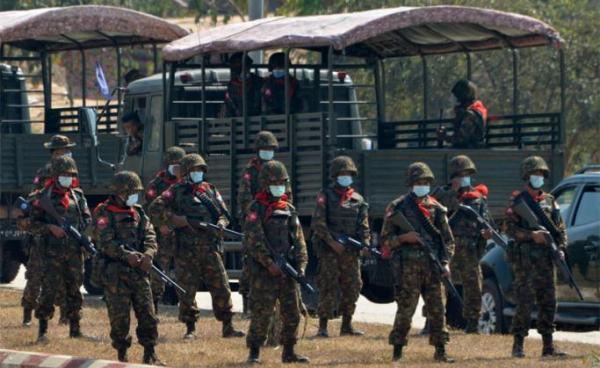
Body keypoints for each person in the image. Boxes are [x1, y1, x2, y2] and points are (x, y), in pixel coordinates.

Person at [148, 153, 244, 340]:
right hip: (186, 250)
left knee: (221, 287)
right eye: (194, 170)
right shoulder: (174, 190)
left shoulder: (210, 190)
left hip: (210, 247)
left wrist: (222, 224)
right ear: (185, 172)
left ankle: (228, 326)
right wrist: (175, 219)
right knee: (186, 290)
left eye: (200, 170)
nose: (198, 173)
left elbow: (224, 213)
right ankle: (190, 328)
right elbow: (154, 208)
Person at [381, 162, 455, 363]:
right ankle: (397, 351)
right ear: (411, 183)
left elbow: (447, 241)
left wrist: (446, 262)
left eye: (425, 182)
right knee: (406, 310)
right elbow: (385, 241)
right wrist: (405, 238)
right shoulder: (397, 207)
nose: (422, 185)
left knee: (438, 310)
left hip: (433, 268)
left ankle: (441, 351)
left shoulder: (437, 209)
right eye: (418, 182)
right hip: (408, 269)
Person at [93, 171, 163, 365]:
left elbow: (150, 236)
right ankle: (122, 355)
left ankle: (150, 353)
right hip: (115, 273)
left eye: (135, 192)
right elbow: (104, 241)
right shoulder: (104, 213)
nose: (134, 196)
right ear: (119, 193)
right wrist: (125, 255)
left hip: (139, 272)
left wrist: (148, 254)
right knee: (120, 318)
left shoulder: (139, 212)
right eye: (130, 192)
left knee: (148, 314)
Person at [19, 156, 91, 343]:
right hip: (50, 253)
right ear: (55, 175)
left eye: (70, 174)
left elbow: (87, 219)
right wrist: (49, 228)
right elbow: (25, 223)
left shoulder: (78, 196)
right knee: (49, 291)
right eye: (64, 174)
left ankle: (75, 329)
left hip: (74, 253)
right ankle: (42, 331)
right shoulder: (41, 197)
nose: (67, 178)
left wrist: (84, 236)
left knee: (75, 290)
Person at [244, 160, 309, 364]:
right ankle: (254, 352)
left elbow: (299, 240)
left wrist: (301, 266)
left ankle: (289, 352)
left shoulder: (288, 208)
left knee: (292, 314)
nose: (279, 186)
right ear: (265, 183)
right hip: (265, 273)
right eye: (274, 182)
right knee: (262, 314)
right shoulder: (256, 208)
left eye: (282, 182)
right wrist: (269, 263)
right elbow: (253, 241)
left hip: (287, 272)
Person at [505, 156, 568, 358]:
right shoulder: (518, 202)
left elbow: (560, 229)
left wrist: (562, 248)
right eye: (535, 174)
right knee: (524, 303)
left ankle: (548, 347)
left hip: (547, 262)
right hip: (526, 264)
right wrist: (532, 236)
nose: (538, 177)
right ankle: (518, 346)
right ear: (526, 176)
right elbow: (510, 230)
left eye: (541, 174)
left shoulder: (550, 201)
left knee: (549, 303)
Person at [432, 155, 493, 333]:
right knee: (438, 286)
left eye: (467, 174)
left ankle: (472, 324)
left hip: (469, 249)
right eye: (461, 174)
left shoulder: (477, 197)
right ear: (453, 175)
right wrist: (454, 192)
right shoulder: (441, 194)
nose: (464, 177)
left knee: (473, 285)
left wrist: (486, 234)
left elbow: (486, 220)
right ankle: (433, 323)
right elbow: (432, 213)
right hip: (446, 248)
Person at [311, 156, 369, 338]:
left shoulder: (358, 199)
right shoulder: (325, 196)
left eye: (348, 174)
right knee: (328, 286)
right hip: (331, 252)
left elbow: (363, 225)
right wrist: (331, 242)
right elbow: (318, 223)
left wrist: (365, 244)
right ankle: (323, 326)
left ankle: (347, 325)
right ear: (335, 175)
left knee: (353, 286)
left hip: (350, 253)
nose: (345, 177)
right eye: (342, 174)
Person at [22, 135, 74, 326]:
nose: (68, 152)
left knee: (63, 277)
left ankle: (65, 316)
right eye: (64, 150)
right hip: (43, 234)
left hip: (62, 234)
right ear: (55, 152)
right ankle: (28, 314)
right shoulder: (45, 173)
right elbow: (37, 199)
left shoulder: (69, 170)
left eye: (69, 149)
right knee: (35, 276)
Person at [237, 131, 281, 314]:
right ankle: (247, 304)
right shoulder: (251, 171)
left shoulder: (278, 169)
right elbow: (244, 197)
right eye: (264, 148)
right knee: (251, 262)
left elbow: (286, 193)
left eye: (270, 149)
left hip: (275, 220)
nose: (268, 151)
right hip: (255, 219)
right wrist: (254, 214)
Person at [145, 146, 186, 315]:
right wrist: (161, 223)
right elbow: (149, 208)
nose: (176, 167)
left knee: (183, 271)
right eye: (173, 163)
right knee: (158, 271)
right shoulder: (156, 184)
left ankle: (184, 308)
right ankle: (153, 307)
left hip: (183, 234)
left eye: (179, 164)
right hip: (162, 235)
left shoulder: (186, 184)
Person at [437, 79, 488, 148]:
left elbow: (460, 139)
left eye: (457, 97)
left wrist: (444, 137)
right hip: (468, 149)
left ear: (462, 97)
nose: (455, 100)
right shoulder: (469, 112)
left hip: (469, 151)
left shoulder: (470, 115)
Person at [223, 52, 263, 117]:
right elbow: (229, 105)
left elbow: (262, 102)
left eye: (237, 63)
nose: (234, 67)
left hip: (257, 120)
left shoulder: (258, 82)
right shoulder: (231, 85)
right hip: (236, 122)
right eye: (233, 64)